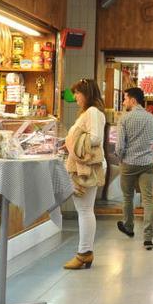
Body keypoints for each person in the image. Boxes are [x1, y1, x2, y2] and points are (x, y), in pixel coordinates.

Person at [62, 79, 107, 269]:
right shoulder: (89, 113)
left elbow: (96, 137)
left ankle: (84, 253)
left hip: (87, 168)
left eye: (78, 93)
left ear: (87, 94)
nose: (76, 97)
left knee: (84, 210)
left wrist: (74, 142)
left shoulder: (93, 112)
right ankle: (84, 252)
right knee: (84, 210)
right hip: (84, 166)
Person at [115, 87, 153, 250]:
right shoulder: (152, 118)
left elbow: (120, 146)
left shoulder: (124, 119)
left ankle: (129, 227)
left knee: (128, 197)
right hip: (147, 163)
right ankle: (148, 238)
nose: (123, 102)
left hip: (128, 163)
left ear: (133, 100)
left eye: (125, 98)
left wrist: (120, 159)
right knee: (148, 199)